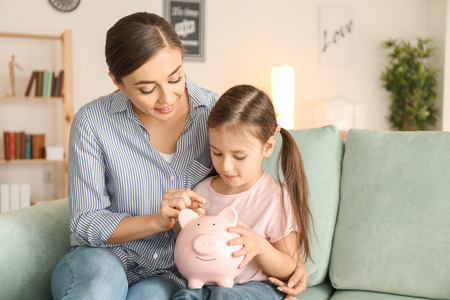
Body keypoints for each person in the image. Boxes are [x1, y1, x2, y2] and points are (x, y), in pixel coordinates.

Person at [50, 12, 307, 300]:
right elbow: (86, 221)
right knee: (99, 289)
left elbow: (250, 176)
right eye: (147, 89)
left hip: (172, 272)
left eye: (175, 78)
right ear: (117, 82)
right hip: (102, 257)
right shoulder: (92, 122)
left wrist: (291, 265)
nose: (167, 98)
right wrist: (158, 221)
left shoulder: (214, 114)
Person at [172, 85, 313, 300]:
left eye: (239, 156)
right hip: (207, 283)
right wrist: (182, 223)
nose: (226, 166)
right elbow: (186, 246)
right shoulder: (202, 192)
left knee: (225, 297)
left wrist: (260, 246)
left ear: (267, 147)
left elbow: (289, 266)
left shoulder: (274, 196)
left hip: (256, 286)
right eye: (217, 152)